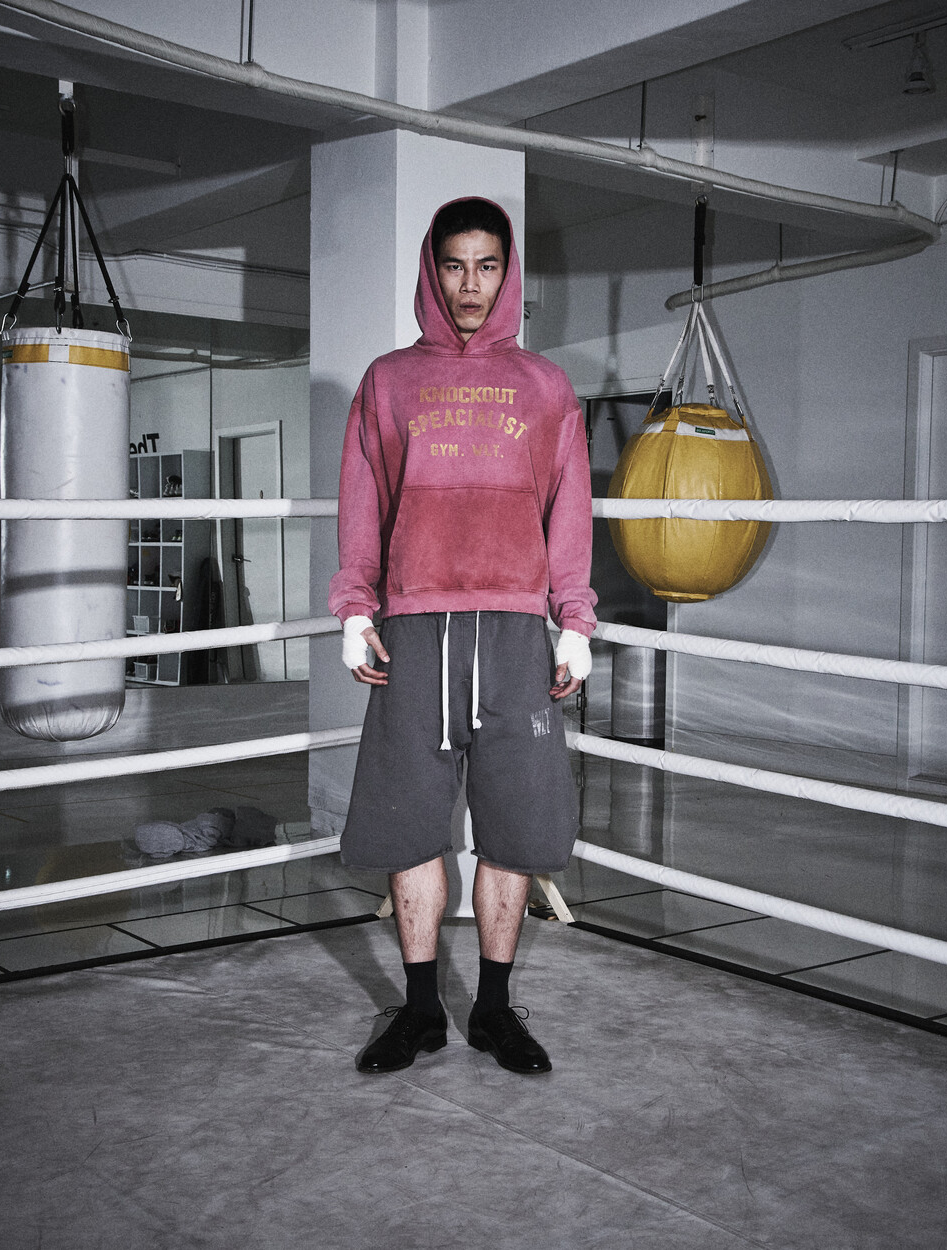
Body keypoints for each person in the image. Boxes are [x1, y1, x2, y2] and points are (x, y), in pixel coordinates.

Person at [328, 197, 596, 1076]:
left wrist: (574, 622)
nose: (469, 285)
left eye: (486, 265)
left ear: (507, 273)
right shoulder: (388, 381)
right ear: (431, 270)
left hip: (516, 629)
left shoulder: (545, 386)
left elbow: (570, 511)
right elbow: (363, 499)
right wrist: (356, 609)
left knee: (513, 828)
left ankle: (491, 1009)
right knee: (408, 825)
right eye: (454, 265)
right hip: (413, 627)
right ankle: (418, 1012)